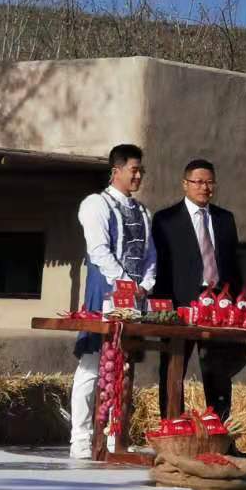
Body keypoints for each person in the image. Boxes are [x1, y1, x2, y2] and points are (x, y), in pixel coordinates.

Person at [68, 143, 156, 460]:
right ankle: (80, 437)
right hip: (104, 293)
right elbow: (99, 250)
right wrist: (125, 282)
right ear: (116, 170)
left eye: (141, 170)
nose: (138, 176)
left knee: (124, 366)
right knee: (93, 364)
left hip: (134, 299)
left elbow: (150, 254)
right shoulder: (96, 204)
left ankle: (114, 436)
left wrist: (145, 284)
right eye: (134, 170)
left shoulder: (143, 212)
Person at [152, 158, 246, 427]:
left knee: (218, 371)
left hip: (218, 304)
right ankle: (172, 428)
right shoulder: (166, 220)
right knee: (173, 368)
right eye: (198, 182)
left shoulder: (225, 219)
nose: (204, 187)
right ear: (185, 184)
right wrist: (162, 308)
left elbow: (233, 266)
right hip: (180, 304)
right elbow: (160, 267)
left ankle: (220, 431)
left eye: (209, 182)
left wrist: (238, 303)